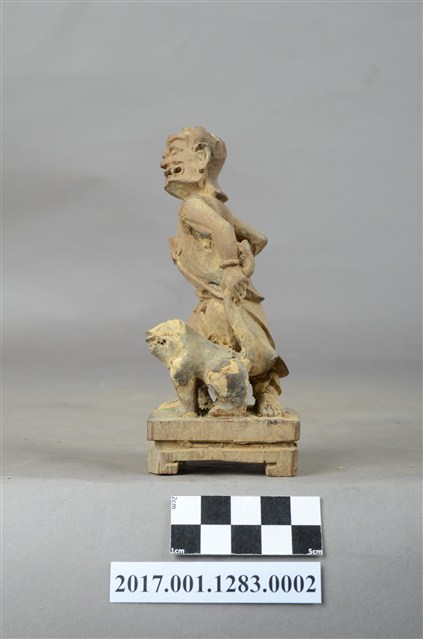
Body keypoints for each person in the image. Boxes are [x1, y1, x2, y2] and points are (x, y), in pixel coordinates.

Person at [160, 126, 288, 417]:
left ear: (201, 157)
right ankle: (241, 395)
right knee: (240, 344)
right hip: (221, 295)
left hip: (224, 294)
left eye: (173, 153)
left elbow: (222, 230)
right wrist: (246, 259)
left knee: (209, 347)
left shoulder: (192, 206)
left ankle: (256, 395)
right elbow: (258, 239)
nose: (163, 162)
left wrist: (231, 268)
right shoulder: (217, 206)